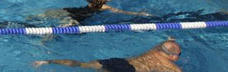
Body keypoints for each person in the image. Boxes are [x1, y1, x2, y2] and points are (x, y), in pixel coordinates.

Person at [34, 39, 183, 72]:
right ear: (171, 56)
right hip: (126, 71)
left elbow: (166, 44)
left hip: (117, 62)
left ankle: (47, 62)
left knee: (81, 64)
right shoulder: (169, 66)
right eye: (179, 54)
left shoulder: (155, 50)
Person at [41, 0, 149, 26]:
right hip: (78, 18)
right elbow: (122, 12)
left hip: (71, 10)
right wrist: (139, 14)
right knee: (59, 29)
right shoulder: (105, 7)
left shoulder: (94, 1)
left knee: (44, 15)